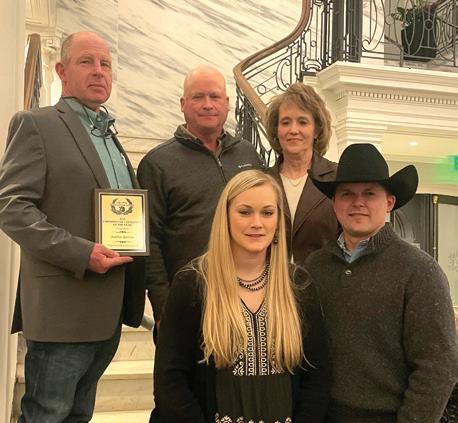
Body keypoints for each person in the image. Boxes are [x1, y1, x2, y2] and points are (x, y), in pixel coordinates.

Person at [0, 31, 145, 422]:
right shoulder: (37, 124)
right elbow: (11, 207)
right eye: (86, 62)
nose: (98, 71)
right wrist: (81, 253)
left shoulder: (108, 135)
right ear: (61, 71)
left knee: (79, 415)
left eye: (105, 64)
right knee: (47, 415)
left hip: (108, 310)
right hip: (61, 311)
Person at [152, 169, 331, 423]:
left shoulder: (299, 285)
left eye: (267, 213)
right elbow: (170, 381)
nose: (257, 223)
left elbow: (317, 377)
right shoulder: (193, 283)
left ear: (278, 221)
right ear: (225, 217)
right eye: (245, 212)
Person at [306, 143, 456, 422]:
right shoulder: (315, 267)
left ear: (389, 202)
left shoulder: (420, 272)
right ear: (335, 203)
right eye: (347, 194)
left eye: (369, 193)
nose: (358, 202)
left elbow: (437, 366)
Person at [137, 65, 264, 324]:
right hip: (188, 302)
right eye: (198, 97)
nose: (208, 105)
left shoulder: (248, 155)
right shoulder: (158, 163)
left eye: (215, 97)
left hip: (250, 297)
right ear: (183, 104)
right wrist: (163, 306)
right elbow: (149, 241)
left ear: (227, 103)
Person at [265, 83, 339, 265]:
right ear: (276, 131)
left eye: (303, 122)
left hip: (322, 280)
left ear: (317, 131)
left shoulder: (338, 178)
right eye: (285, 122)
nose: (293, 130)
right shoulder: (261, 181)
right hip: (270, 280)